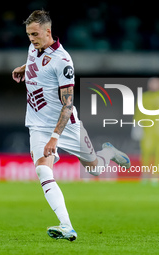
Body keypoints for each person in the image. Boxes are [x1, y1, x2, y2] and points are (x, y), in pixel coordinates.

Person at [12, 10, 130, 241]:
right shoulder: (33, 48)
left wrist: (55, 137)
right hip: (37, 125)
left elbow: (67, 106)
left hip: (65, 126)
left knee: (95, 168)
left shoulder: (63, 61)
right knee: (42, 169)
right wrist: (23, 69)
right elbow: (35, 63)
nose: (31, 39)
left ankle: (109, 151)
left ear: (48, 32)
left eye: (35, 34)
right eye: (28, 34)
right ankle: (66, 226)